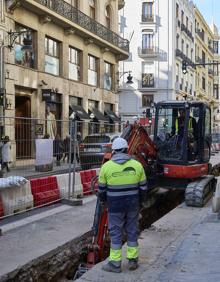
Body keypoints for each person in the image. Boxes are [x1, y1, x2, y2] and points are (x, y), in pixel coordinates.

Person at [98, 137, 148, 273]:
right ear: (127, 150)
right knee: (132, 231)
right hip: (132, 205)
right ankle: (132, 261)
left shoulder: (106, 167)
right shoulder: (137, 165)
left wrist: (105, 202)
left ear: (113, 151)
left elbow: (101, 191)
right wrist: (141, 202)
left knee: (115, 234)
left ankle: (115, 264)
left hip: (115, 207)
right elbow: (143, 188)